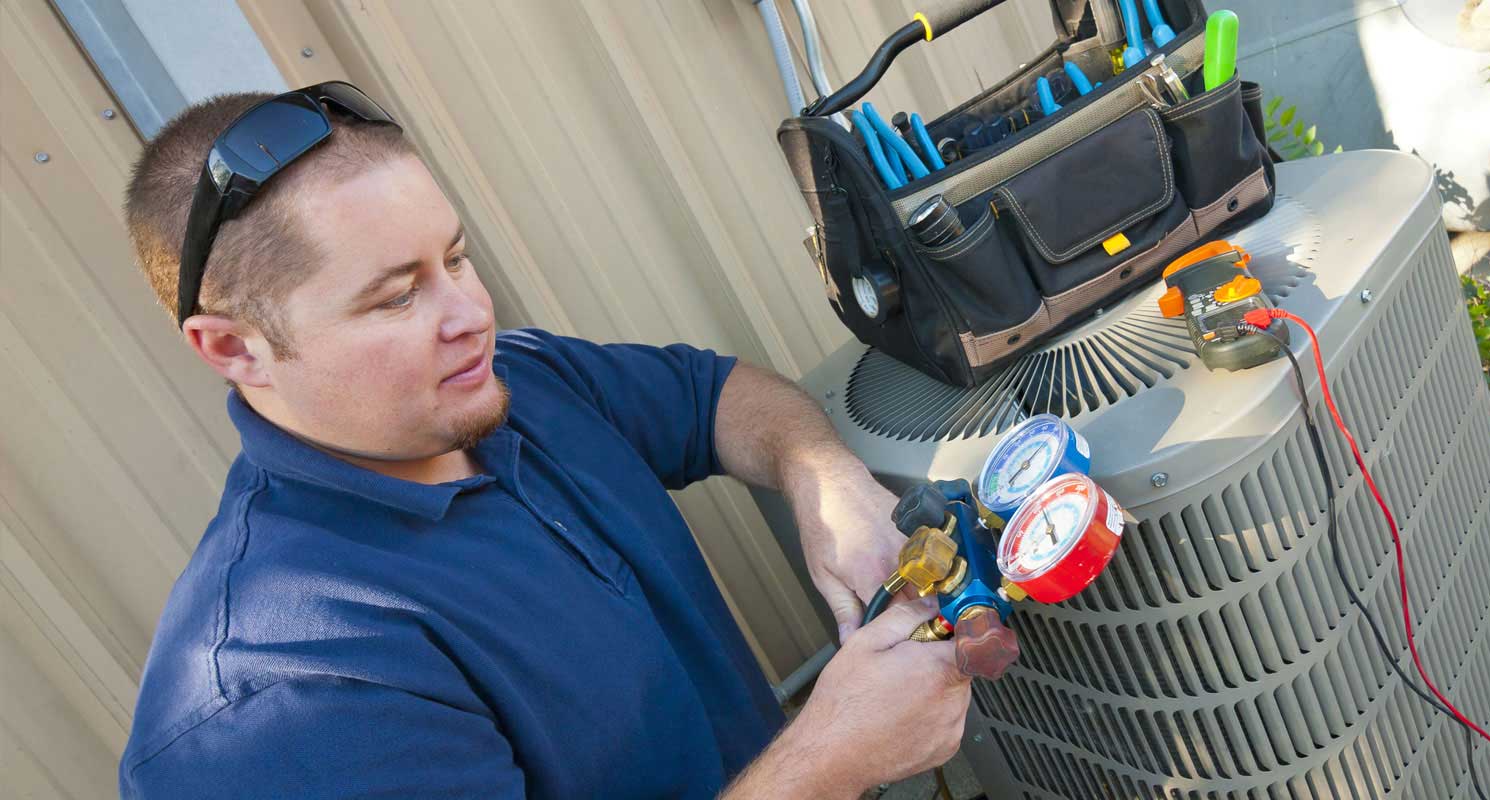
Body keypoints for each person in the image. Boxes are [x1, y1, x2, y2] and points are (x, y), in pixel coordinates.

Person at [115, 82, 982, 799]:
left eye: (454, 258)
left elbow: (714, 396)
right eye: (395, 297)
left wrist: (822, 478)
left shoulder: (515, 384)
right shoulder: (277, 699)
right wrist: (831, 759)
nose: (472, 315)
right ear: (234, 348)